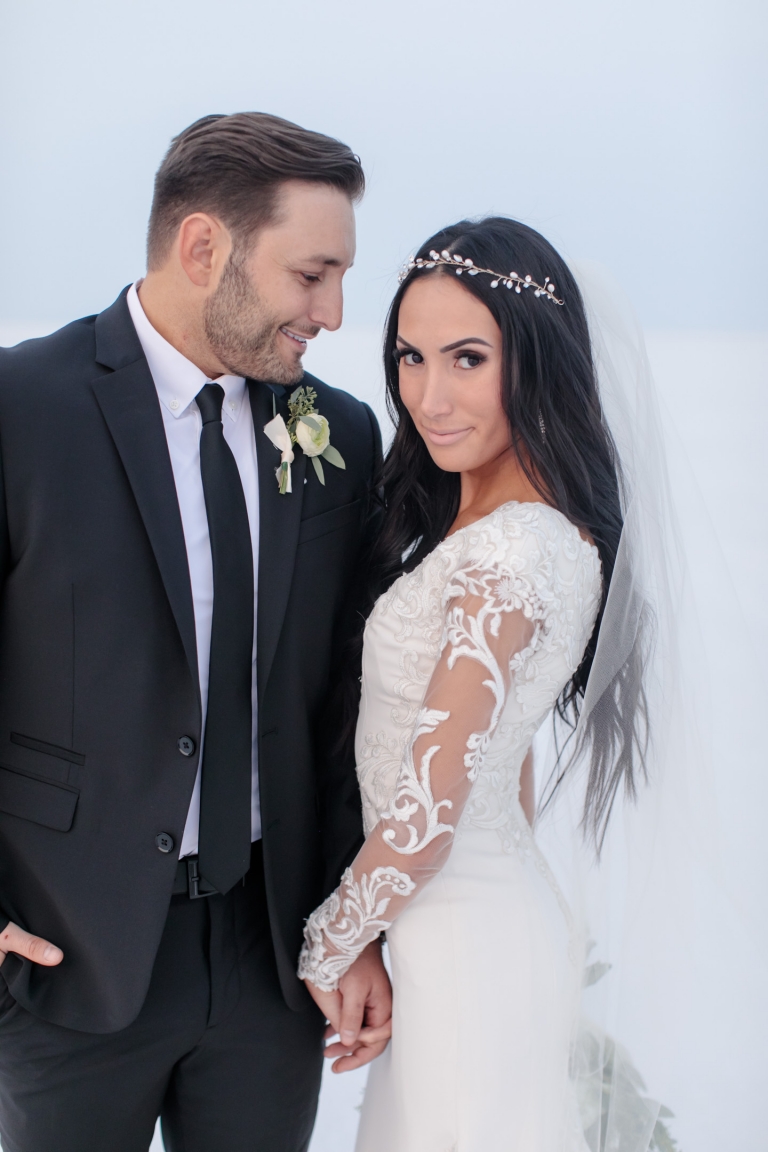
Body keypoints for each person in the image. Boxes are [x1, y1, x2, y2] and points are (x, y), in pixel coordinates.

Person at [0, 111, 390, 1152]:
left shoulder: (340, 436)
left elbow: (348, 704)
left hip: (272, 960)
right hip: (65, 959)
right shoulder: (21, 407)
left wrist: (355, 930)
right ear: (204, 246)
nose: (335, 312)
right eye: (312, 274)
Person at [299, 217, 642, 1150]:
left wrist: (329, 947)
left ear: (536, 363)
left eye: (467, 358)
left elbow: (421, 817)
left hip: (463, 940)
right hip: (472, 923)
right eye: (411, 356)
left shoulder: (508, 557)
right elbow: (508, 769)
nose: (428, 396)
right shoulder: (519, 532)